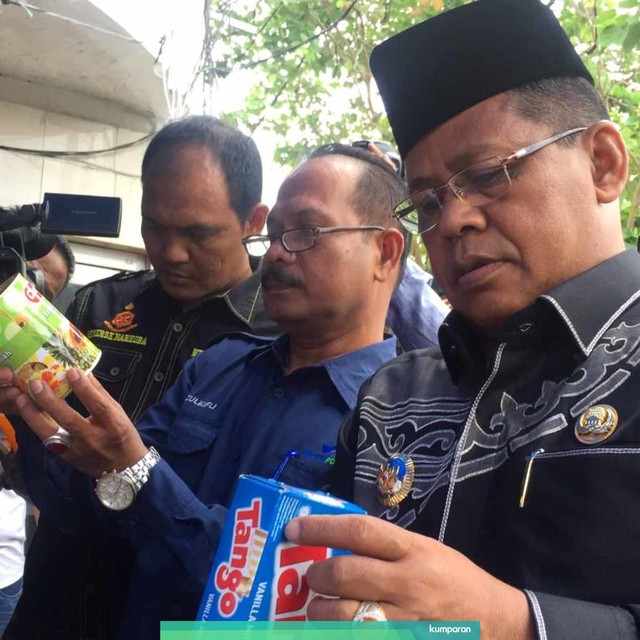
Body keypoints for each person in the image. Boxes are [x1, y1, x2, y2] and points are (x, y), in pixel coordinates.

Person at [282, 1, 640, 638]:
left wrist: (515, 624)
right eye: (427, 203)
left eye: (486, 175)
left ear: (603, 164)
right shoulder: (387, 400)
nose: (453, 220)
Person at [2, 144, 408, 639]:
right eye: (275, 234)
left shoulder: (402, 417)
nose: (277, 254)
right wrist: (28, 409)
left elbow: (284, 603)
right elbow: (91, 506)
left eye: (305, 233)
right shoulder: (221, 365)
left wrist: (135, 472)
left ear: (384, 253)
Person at [1, 239, 74, 636]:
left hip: (6, 573)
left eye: (39, 290)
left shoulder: (33, 381)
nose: (22, 296)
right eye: (18, 275)